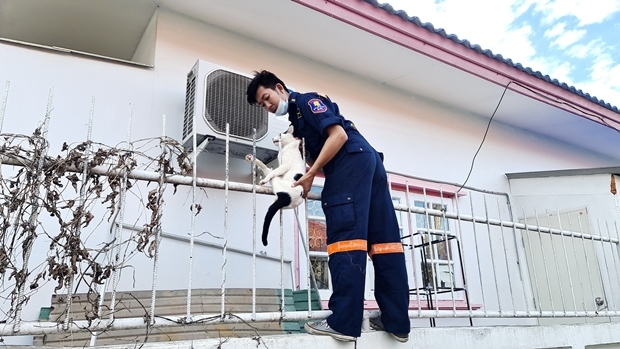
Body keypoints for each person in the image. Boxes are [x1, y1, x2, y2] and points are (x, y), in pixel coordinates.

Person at [246, 70, 410, 342]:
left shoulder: (307, 102)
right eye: (262, 105)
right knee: (385, 243)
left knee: (346, 241)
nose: (267, 106)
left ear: (279, 87)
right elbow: (327, 150)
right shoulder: (297, 123)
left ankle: (344, 322)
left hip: (351, 164)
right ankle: (397, 322)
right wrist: (308, 176)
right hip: (369, 164)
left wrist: (313, 173)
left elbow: (338, 137)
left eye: (266, 98)